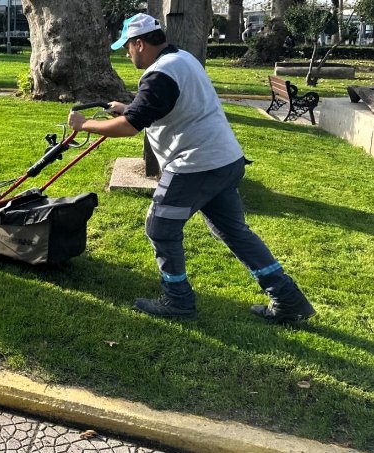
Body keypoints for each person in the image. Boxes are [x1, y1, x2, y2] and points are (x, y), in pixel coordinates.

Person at [67, 13, 315, 323]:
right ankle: (288, 299)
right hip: (225, 161)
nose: (127, 54)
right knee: (233, 232)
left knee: (160, 228)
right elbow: (161, 106)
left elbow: (130, 127)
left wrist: (85, 123)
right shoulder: (181, 58)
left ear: (139, 43)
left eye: (127, 48)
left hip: (195, 166)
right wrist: (126, 106)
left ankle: (178, 302)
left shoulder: (159, 74)